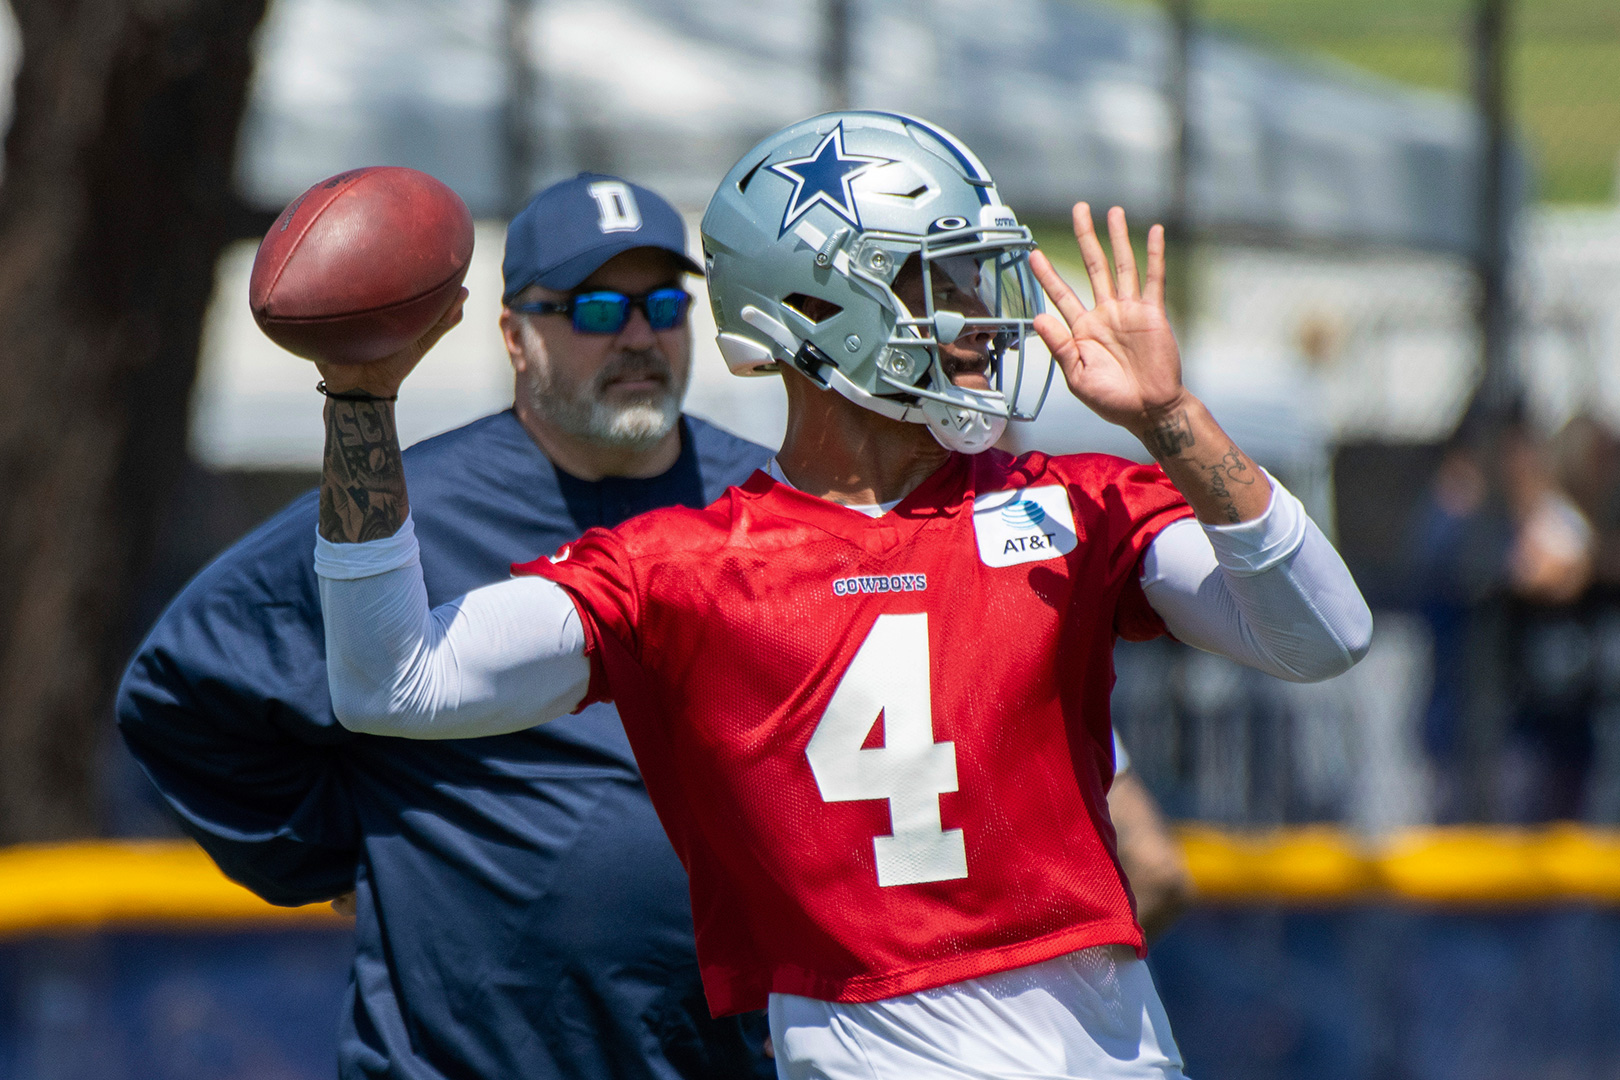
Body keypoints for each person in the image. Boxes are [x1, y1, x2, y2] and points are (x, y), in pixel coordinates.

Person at [311, 113, 1373, 1078]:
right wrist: (359, 402)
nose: (982, 322)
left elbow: (1328, 635)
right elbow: (396, 682)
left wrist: (1172, 418)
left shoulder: (1073, 506)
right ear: (819, 309)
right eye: (941, 284)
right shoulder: (681, 569)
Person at [117, 174, 776, 1080]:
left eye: (664, 303)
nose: (638, 335)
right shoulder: (398, 513)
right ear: (514, 336)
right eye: (594, 308)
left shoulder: (768, 503)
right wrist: (361, 844)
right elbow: (182, 692)